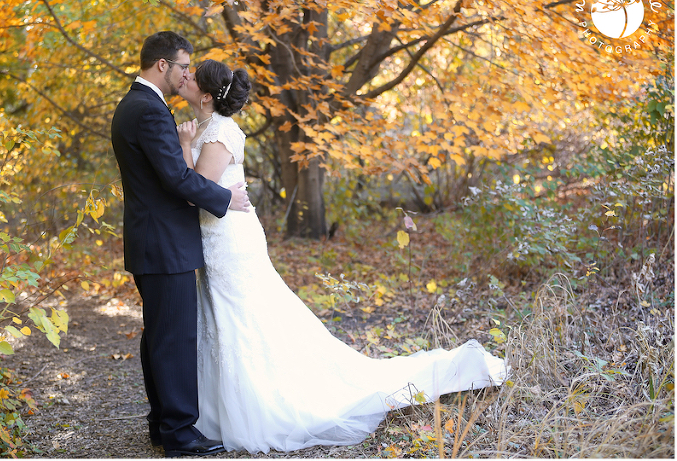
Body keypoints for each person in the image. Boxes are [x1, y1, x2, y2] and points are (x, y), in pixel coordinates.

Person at [177, 59, 508, 454]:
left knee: (243, 320)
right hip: (218, 237)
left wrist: (182, 145)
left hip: (229, 242)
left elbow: (196, 186)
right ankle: (214, 411)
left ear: (208, 96)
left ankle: (259, 407)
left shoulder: (220, 134)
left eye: (193, 77)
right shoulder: (210, 128)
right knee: (226, 319)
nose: (187, 78)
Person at [110, 32, 250, 457]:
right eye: (183, 66)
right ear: (161, 66)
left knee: (159, 336)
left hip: (153, 240)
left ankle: (162, 424)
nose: (187, 73)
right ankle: (180, 433)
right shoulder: (149, 111)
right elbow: (176, 178)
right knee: (172, 339)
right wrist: (226, 198)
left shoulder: (135, 105)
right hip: (164, 242)